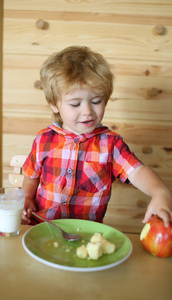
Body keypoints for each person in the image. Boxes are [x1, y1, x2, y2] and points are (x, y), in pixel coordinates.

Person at [21, 45, 172, 227]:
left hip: (87, 235)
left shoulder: (111, 144)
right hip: (41, 228)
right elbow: (32, 176)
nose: (87, 111)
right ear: (54, 104)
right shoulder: (43, 140)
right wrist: (27, 198)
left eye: (96, 101)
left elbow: (137, 171)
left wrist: (160, 192)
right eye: (75, 104)